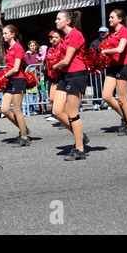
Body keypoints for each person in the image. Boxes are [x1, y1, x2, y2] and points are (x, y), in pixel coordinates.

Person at [52, 10, 88, 161]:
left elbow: (67, 60)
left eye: (59, 19)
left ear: (68, 21)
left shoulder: (75, 35)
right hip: (65, 75)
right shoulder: (65, 37)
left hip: (76, 75)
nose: (56, 21)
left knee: (73, 113)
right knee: (57, 111)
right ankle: (80, 135)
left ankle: (80, 149)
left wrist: (53, 67)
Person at [101, 9, 127, 136]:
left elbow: (120, 49)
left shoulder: (125, 31)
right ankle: (125, 117)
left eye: (112, 17)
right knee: (106, 96)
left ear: (120, 19)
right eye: (109, 17)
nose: (109, 19)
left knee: (122, 98)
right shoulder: (113, 33)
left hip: (124, 66)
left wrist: (105, 52)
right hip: (113, 66)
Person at [0, 25, 30, 147]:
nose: (3, 35)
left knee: (17, 110)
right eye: (3, 33)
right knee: (4, 109)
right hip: (10, 80)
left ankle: (24, 137)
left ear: (13, 34)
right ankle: (23, 128)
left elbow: (16, 68)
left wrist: (3, 76)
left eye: (6, 33)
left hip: (17, 80)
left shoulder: (18, 48)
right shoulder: (8, 48)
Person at [44, 30, 64, 122]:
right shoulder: (50, 49)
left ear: (61, 38)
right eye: (53, 37)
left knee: (60, 98)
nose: (54, 39)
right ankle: (57, 113)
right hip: (52, 76)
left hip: (61, 75)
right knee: (52, 98)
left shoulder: (63, 47)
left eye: (56, 37)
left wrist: (56, 66)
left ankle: (64, 117)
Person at [90, 27, 110, 110]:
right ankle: (97, 102)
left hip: (109, 67)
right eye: (100, 32)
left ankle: (110, 102)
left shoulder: (111, 41)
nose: (102, 34)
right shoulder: (95, 43)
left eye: (103, 32)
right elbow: (91, 54)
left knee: (110, 85)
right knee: (98, 85)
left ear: (107, 32)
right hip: (99, 68)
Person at [24, 40, 41, 115]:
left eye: (34, 45)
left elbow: (40, 62)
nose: (33, 47)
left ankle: (34, 109)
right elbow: (30, 63)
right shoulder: (27, 55)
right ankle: (31, 109)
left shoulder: (38, 54)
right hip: (30, 75)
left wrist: (38, 64)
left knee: (36, 93)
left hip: (37, 75)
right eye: (31, 46)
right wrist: (37, 64)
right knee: (30, 92)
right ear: (29, 46)